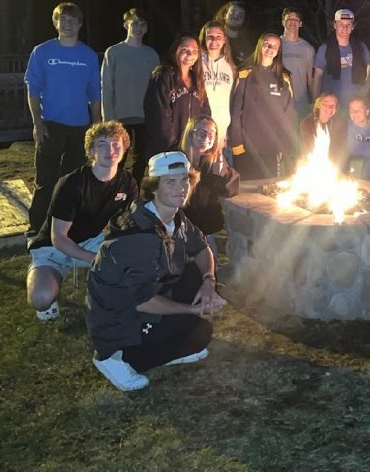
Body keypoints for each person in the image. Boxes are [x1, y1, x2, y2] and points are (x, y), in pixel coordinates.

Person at [86, 151, 225, 392]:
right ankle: (110, 357)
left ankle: (170, 343)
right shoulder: (139, 235)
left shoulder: (174, 215)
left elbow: (201, 248)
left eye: (185, 180)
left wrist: (208, 282)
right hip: (120, 316)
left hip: (148, 291)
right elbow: (143, 301)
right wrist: (192, 309)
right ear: (153, 188)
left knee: (196, 285)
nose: (181, 188)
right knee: (200, 333)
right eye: (170, 182)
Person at [26, 121, 138, 321]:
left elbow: (126, 224)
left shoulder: (127, 182)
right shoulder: (72, 183)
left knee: (130, 259)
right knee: (41, 298)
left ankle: (96, 284)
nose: (110, 150)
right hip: (53, 246)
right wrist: (94, 259)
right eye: (102, 144)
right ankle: (47, 274)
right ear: (92, 151)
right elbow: (58, 238)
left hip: (92, 239)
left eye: (116, 143)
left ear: (124, 148)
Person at [24, 2, 101, 236]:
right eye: (62, 20)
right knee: (45, 180)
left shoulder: (88, 55)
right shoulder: (42, 52)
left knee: (71, 182)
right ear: (55, 23)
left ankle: (66, 227)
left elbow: (94, 93)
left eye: (72, 20)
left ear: (79, 24)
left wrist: (96, 126)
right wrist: (37, 122)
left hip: (80, 127)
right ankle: (37, 227)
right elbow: (33, 89)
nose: (67, 25)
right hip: (51, 125)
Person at [137, 32, 208, 182]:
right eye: (185, 50)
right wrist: (174, 145)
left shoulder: (197, 79)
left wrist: (199, 140)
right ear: (175, 50)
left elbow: (205, 112)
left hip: (191, 149)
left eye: (195, 51)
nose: (190, 54)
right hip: (167, 150)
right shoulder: (164, 75)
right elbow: (158, 114)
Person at [230, 32, 298, 179]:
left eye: (275, 46)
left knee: (270, 192)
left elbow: (289, 115)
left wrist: (285, 146)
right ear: (260, 46)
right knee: (247, 193)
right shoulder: (244, 74)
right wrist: (237, 145)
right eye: (267, 44)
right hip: (247, 148)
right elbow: (236, 112)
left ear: (279, 50)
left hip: (273, 148)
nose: (270, 48)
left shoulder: (285, 78)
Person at [101, 8, 159, 169]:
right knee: (116, 159)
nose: (138, 28)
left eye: (142, 24)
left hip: (144, 117)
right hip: (120, 118)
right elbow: (106, 87)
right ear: (126, 25)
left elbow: (156, 89)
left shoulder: (151, 55)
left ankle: (132, 191)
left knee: (141, 161)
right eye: (134, 23)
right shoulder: (113, 53)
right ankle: (113, 191)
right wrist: (108, 119)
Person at [180, 116, 241, 237]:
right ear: (190, 133)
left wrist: (219, 175)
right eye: (201, 133)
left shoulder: (216, 161)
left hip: (208, 227)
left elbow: (228, 191)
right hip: (182, 226)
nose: (207, 138)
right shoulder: (178, 158)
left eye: (211, 134)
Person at [312, 8, 370, 108]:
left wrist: (366, 88)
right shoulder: (325, 48)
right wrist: (315, 102)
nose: (344, 28)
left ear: (353, 27)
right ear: (334, 25)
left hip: (354, 104)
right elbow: (317, 77)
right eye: (341, 24)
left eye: (348, 25)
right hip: (331, 106)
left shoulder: (359, 46)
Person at [199, 20, 236, 153]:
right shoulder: (197, 62)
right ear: (204, 38)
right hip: (201, 129)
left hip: (223, 130)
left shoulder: (230, 67)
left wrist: (227, 131)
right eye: (210, 36)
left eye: (218, 36)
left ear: (225, 39)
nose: (214, 41)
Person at [279, 7, 316, 118]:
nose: (293, 22)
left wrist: (314, 103)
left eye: (296, 19)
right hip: (279, 103)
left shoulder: (308, 49)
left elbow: (311, 80)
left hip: (301, 105)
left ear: (300, 23)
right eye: (289, 18)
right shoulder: (275, 44)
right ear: (283, 22)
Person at [300, 92, 348, 168]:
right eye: (326, 104)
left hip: (332, 166)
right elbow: (307, 148)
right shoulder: (307, 123)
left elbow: (339, 149)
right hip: (311, 164)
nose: (329, 108)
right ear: (319, 105)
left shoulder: (339, 124)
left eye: (333, 105)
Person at [213, 0, 253, 66]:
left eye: (240, 15)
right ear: (225, 15)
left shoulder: (246, 45)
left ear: (244, 20)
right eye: (232, 12)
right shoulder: (213, 39)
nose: (235, 17)